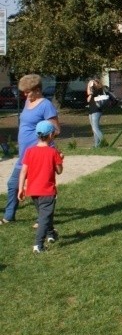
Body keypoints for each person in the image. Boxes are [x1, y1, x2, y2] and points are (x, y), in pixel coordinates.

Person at [2, 74, 60, 225]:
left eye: (27, 91)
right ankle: (9, 216)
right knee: (13, 185)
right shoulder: (28, 101)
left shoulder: (46, 105)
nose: (25, 94)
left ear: (37, 90)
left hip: (37, 155)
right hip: (25, 154)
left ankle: (43, 220)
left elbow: (56, 129)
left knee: (39, 189)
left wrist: (43, 146)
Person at [17, 120, 63, 253]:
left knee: (45, 215)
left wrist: (21, 188)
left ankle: (51, 234)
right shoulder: (53, 152)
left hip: (33, 191)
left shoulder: (30, 151)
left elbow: (23, 171)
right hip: (47, 191)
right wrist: (61, 159)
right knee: (44, 217)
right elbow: (59, 171)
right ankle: (38, 245)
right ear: (50, 135)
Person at [86, 76, 107, 148]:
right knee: (94, 128)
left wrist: (89, 85)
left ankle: (104, 142)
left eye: (92, 81)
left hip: (96, 110)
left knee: (95, 128)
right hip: (92, 109)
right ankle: (97, 145)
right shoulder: (97, 88)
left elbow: (88, 96)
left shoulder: (97, 88)